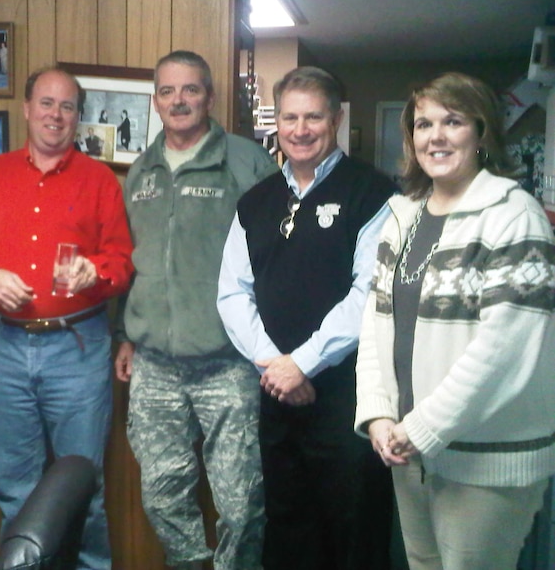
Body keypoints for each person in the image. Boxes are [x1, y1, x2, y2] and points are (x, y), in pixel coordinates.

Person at [354, 72, 555, 570]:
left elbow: (504, 350)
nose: (436, 136)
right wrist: (379, 414)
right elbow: (377, 325)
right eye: (424, 124)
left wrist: (421, 427)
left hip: (483, 460)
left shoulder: (514, 215)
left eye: (453, 121)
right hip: (409, 450)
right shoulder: (403, 215)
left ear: (482, 132)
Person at [217, 66, 397, 569]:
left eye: (313, 116)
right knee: (288, 523)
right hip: (276, 394)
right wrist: (275, 365)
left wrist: (304, 363)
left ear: (335, 119)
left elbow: (370, 293)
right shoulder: (256, 202)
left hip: (349, 395)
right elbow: (232, 292)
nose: (300, 129)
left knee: (353, 526)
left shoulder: (374, 194)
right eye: (290, 117)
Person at [0, 66, 133, 570]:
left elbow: (121, 262)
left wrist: (92, 271)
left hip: (78, 348)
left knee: (84, 489)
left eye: (68, 106)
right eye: (47, 103)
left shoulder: (100, 180)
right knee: (15, 488)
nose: (56, 115)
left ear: (79, 116)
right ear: (27, 109)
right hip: (8, 349)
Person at [115, 50, 277, 570]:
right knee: (162, 496)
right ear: (156, 100)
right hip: (155, 365)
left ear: (209, 95)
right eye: (167, 91)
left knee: (241, 501)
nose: (179, 100)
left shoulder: (248, 162)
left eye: (190, 90)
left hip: (228, 362)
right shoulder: (141, 170)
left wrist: (270, 345)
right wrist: (125, 334)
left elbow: (281, 256)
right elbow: (131, 259)